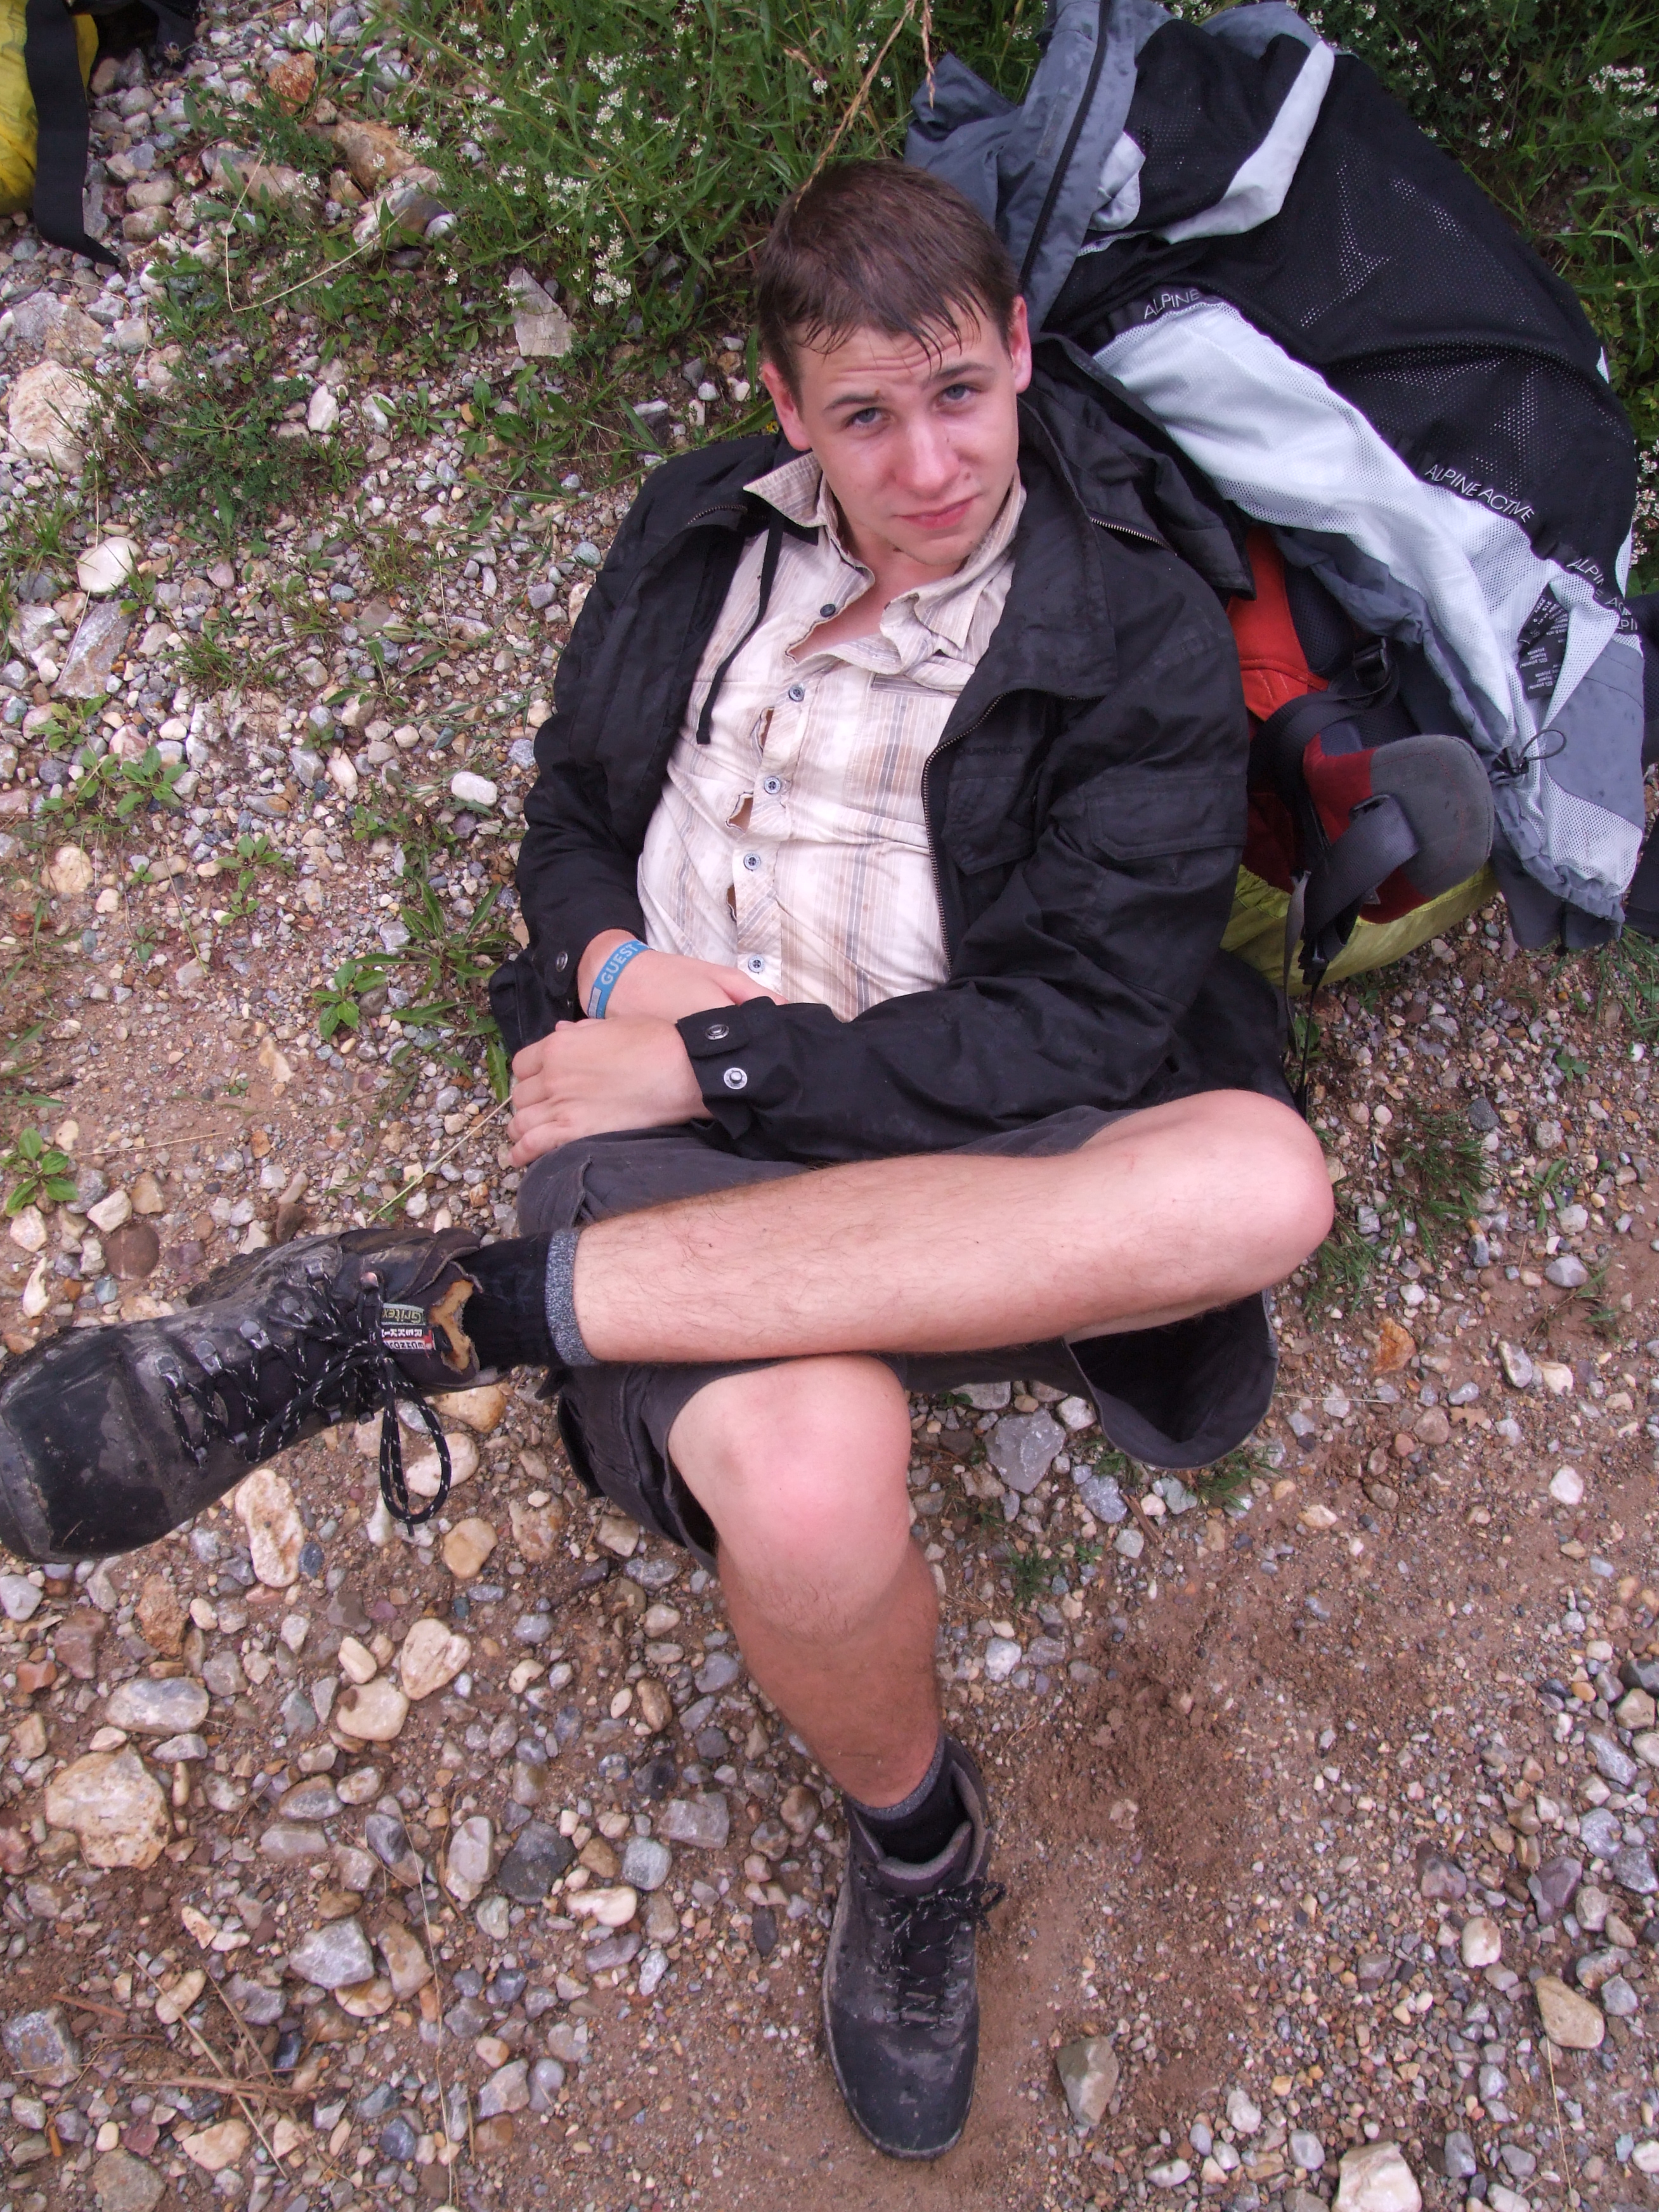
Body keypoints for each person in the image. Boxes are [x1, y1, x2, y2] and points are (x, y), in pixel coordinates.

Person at [0, 162, 1331, 2161]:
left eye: (960, 394)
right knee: (804, 1483)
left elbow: (1071, 1032)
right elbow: (568, 820)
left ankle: (433, 1314)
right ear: (788, 409)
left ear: (1018, 355)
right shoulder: (703, 526)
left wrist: (712, 1054)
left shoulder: (1127, 615)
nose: (931, 462)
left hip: (955, 1133)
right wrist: (620, 973)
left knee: (1266, 1185)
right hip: (667, 1154)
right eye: (865, 415)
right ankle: (918, 1848)